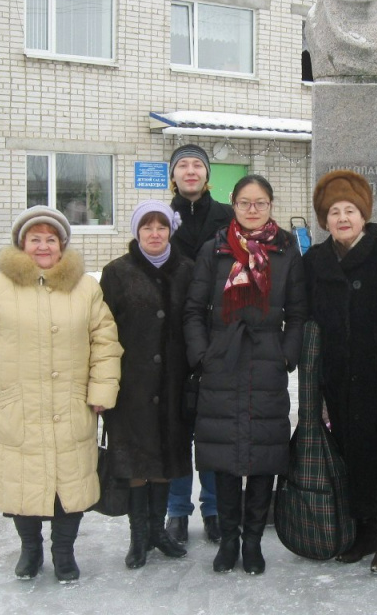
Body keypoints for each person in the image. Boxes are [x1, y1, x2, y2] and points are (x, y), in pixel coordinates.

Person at [0, 206, 122, 583]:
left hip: (71, 405)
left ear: (62, 245)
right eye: (36, 239)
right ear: (22, 243)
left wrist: (101, 390)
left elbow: (105, 343)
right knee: (22, 480)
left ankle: (64, 552)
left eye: (51, 239)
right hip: (19, 407)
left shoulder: (85, 288)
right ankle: (30, 548)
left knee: (71, 482)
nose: (43, 246)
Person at [183, 175, 308, 575]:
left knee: (263, 456)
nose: (252, 210)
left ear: (271, 206)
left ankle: (252, 541)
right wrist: (203, 354)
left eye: (260, 203)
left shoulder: (288, 250)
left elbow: (299, 312)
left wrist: (285, 356)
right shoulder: (214, 248)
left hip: (267, 362)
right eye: (244, 203)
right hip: (221, 361)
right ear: (232, 205)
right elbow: (193, 310)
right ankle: (229, 539)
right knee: (221, 456)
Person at [303, 170, 377, 573]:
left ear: (363, 213)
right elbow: (306, 321)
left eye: (349, 210)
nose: (342, 218)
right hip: (338, 375)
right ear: (324, 220)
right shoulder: (315, 260)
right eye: (333, 211)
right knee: (351, 452)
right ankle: (364, 530)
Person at [99, 200, 193, 569]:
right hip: (130, 387)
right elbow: (102, 331)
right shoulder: (116, 273)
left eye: (161, 227)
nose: (154, 234)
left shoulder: (187, 269)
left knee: (165, 458)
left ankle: (158, 531)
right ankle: (139, 537)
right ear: (136, 232)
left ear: (171, 231)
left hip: (173, 384)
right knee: (135, 461)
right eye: (147, 227)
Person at [165, 143, 233, 545]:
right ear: (173, 175)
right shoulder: (160, 219)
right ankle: (176, 510)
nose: (190, 171)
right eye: (183, 166)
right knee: (177, 428)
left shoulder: (227, 217)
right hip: (170, 340)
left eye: (197, 166)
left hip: (217, 336)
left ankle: (213, 508)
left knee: (212, 429)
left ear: (208, 175)